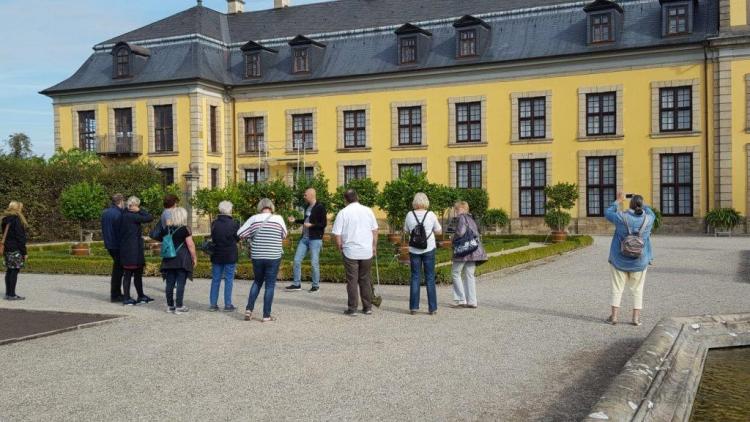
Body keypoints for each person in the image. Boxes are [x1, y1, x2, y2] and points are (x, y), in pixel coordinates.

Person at [604, 193, 655, 326]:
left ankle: (614, 317)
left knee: (617, 288)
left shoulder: (621, 217)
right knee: (638, 290)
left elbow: (607, 212)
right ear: (641, 205)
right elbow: (651, 212)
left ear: (630, 204)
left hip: (619, 260)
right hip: (639, 261)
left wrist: (618, 200)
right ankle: (636, 319)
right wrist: (642, 203)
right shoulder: (649, 219)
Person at [238, 198, 287, 322]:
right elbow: (284, 234)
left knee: (257, 282)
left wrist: (252, 235)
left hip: (257, 256)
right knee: (270, 286)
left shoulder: (253, 219)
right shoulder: (279, 219)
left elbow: (240, 233)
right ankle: (266, 315)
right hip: (273, 256)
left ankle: (249, 310)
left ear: (260, 207)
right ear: (271, 207)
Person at [331, 189, 378, 316]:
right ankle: (367, 307)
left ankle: (352, 308)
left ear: (345, 200)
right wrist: (374, 246)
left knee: (352, 280)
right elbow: (374, 230)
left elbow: (337, 234)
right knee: (365, 279)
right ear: (357, 197)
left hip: (350, 251)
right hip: (366, 250)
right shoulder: (368, 210)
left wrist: (340, 246)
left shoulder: (343, 212)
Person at [403, 192, 442, 315]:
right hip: (429, 248)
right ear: (426, 202)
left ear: (414, 202)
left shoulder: (409, 215)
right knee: (430, 277)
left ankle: (414, 307)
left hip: (414, 249)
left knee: (415, 277)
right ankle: (432, 308)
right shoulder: (430, 215)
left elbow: (406, 230)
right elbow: (439, 231)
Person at [153, 207, 197, 314]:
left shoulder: (165, 229)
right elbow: (190, 245)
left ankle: (170, 306)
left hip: (168, 258)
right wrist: (194, 257)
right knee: (181, 283)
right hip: (182, 258)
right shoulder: (185, 229)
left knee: (169, 283)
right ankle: (179, 306)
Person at [286, 188, 327, 293]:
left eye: (305, 195)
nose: (304, 197)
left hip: (315, 239)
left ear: (311, 195)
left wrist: (312, 225)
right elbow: (306, 221)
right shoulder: (307, 207)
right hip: (304, 238)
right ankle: (296, 284)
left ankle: (315, 285)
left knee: (314, 263)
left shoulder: (320, 207)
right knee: (296, 260)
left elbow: (323, 224)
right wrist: (295, 220)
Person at [451, 201, 487, 309]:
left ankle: (461, 300)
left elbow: (461, 232)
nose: (456, 212)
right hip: (474, 250)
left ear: (462, 209)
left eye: (456, 209)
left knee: (455, 273)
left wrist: (453, 239)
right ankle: (472, 301)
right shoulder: (472, 218)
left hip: (463, 251)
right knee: (469, 275)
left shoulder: (462, 217)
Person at [119, 196, 154, 306]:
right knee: (131, 274)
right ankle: (128, 298)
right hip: (133, 250)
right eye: (137, 206)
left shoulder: (123, 214)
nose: (138, 207)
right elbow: (149, 217)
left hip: (126, 249)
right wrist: (140, 211)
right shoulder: (132, 216)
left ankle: (138, 296)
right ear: (133, 206)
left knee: (131, 273)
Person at [209, 201, 240, 312]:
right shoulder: (234, 223)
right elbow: (238, 238)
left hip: (217, 253)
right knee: (229, 280)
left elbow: (213, 237)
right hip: (230, 254)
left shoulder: (214, 223)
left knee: (216, 279)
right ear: (230, 210)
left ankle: (213, 304)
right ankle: (227, 304)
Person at [2, 201, 28, 300]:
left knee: (9, 270)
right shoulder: (17, 219)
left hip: (7, 248)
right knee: (14, 271)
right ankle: (12, 294)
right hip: (16, 248)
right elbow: (20, 237)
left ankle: (8, 293)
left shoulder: (5, 219)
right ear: (17, 208)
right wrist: (24, 252)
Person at [101, 194, 125, 302]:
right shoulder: (119, 214)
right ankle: (116, 295)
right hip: (117, 244)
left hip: (109, 243)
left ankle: (115, 294)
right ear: (121, 201)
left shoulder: (105, 213)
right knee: (118, 270)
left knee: (117, 269)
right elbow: (120, 231)